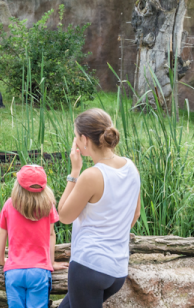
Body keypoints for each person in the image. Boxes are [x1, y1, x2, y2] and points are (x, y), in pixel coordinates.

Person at [57, 108, 141, 308]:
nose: (75, 141)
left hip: (89, 267)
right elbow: (135, 214)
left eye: (76, 137)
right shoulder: (131, 167)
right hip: (117, 270)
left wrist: (74, 171)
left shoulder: (91, 175)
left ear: (84, 140)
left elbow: (64, 216)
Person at [0, 165, 68, 308]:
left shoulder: (9, 205)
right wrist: (51, 262)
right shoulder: (48, 206)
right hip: (39, 271)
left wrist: (0, 259)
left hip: (13, 271)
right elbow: (51, 235)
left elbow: (1, 234)